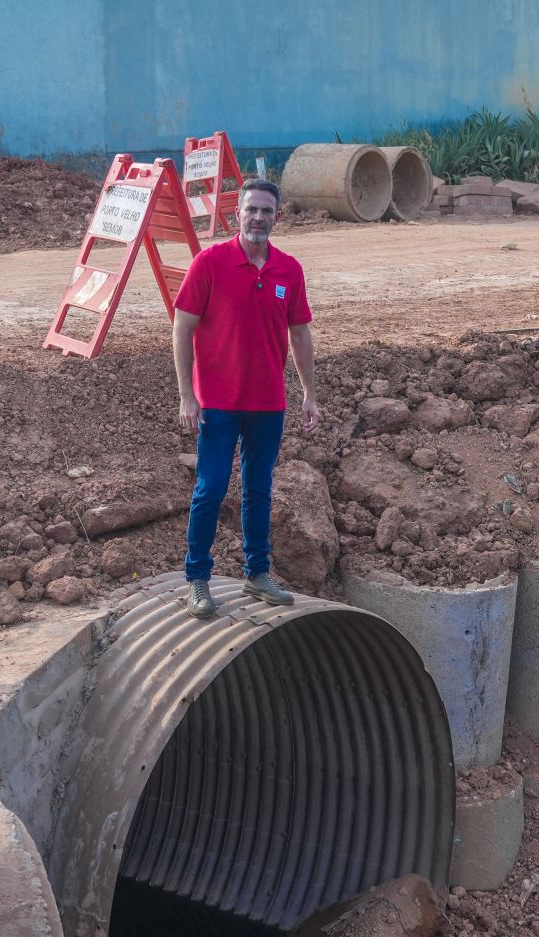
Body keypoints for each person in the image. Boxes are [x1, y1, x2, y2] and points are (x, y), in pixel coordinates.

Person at [172, 177, 318, 618]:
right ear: (238, 214)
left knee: (259, 489)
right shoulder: (210, 263)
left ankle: (257, 573)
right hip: (216, 401)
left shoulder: (288, 270)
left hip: (268, 402)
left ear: (277, 217)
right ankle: (197, 578)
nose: (258, 218)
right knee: (211, 488)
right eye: (251, 210)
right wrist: (187, 395)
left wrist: (310, 392)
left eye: (266, 211)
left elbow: (300, 333)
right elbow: (182, 328)